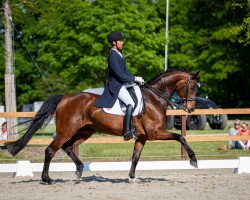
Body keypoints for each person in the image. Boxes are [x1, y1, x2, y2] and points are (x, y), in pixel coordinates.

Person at [95, 31, 144, 141]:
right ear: (114, 42)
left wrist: (136, 79)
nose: (122, 42)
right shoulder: (112, 56)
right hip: (116, 85)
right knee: (130, 103)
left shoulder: (119, 54)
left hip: (122, 84)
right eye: (120, 41)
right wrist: (134, 79)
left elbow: (125, 71)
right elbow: (120, 75)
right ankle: (127, 131)